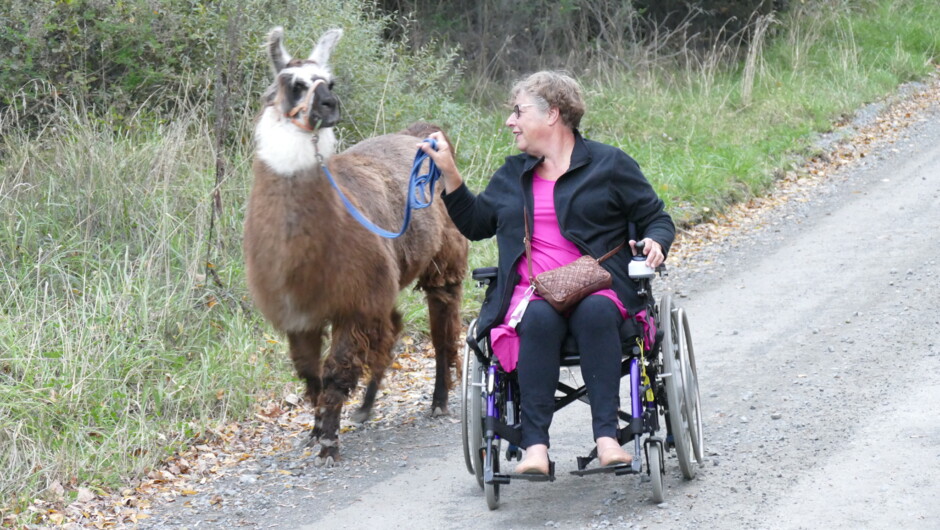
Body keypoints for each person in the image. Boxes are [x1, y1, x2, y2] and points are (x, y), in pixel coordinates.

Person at [419, 71, 675, 475]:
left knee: (595, 312)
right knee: (537, 319)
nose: (510, 121)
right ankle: (535, 447)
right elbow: (477, 223)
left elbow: (655, 217)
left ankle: (607, 439)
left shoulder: (609, 164)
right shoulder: (513, 175)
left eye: (518, 111)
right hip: (533, 294)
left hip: (598, 287)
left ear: (553, 114)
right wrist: (449, 172)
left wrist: (656, 242)